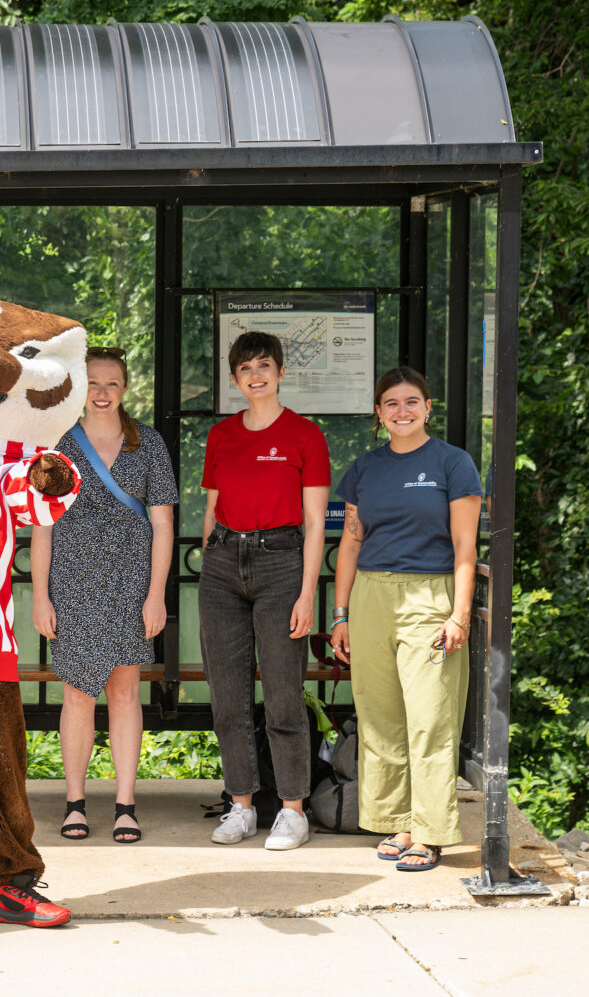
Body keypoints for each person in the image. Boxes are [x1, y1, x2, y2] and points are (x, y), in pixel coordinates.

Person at [330, 366, 482, 872]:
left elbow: (465, 545)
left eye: (411, 401)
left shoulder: (452, 464)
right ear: (379, 412)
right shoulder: (364, 469)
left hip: (429, 594)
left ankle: (431, 830)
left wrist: (459, 614)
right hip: (371, 596)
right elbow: (351, 541)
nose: (402, 411)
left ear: (428, 407)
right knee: (381, 718)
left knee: (430, 718)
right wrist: (341, 613)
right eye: (391, 403)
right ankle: (398, 820)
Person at [31, 346, 176, 844]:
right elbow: (44, 525)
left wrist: (156, 594)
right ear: (78, 388)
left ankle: (125, 805)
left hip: (133, 583)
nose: (102, 392)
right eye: (93, 383)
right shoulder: (58, 444)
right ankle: (74, 802)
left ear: (125, 390)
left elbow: (163, 523)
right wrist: (41, 597)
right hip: (72, 582)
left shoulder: (149, 445)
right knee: (76, 692)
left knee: (124, 692)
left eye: (112, 383)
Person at [199, 331, 330, 851]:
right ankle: (242, 805)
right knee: (227, 695)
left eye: (264, 365)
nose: (256, 375)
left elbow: (317, 522)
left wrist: (306, 594)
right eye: (245, 368)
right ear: (235, 380)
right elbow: (211, 504)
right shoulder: (222, 435)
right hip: (223, 565)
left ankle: (293, 810)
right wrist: (213, 550)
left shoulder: (305, 435)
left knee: (281, 695)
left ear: (279, 373)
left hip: (281, 564)